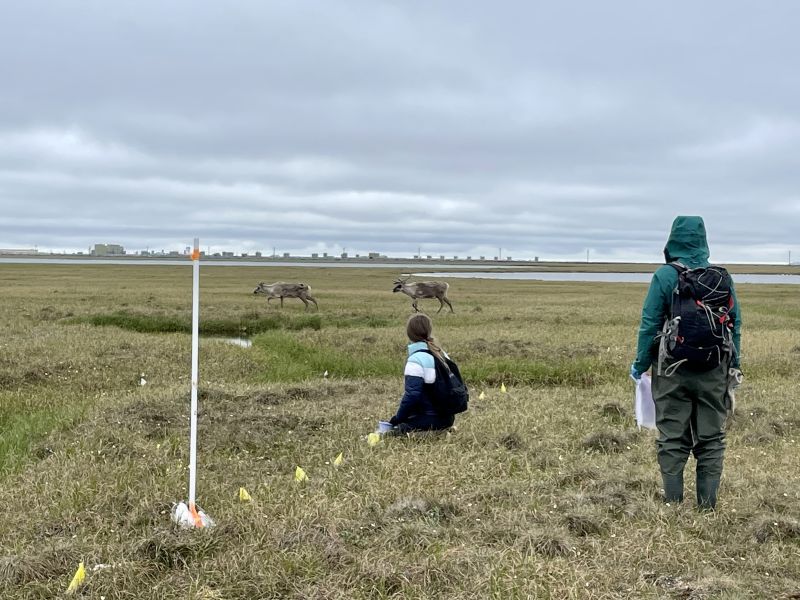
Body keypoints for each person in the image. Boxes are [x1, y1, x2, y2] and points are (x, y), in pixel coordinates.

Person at [631, 216, 742, 510]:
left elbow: (649, 323)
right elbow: (736, 323)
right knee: (712, 439)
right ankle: (707, 507)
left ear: (673, 239)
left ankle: (673, 505)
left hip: (671, 370)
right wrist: (735, 364)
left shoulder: (665, 276)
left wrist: (641, 363)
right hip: (714, 369)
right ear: (704, 240)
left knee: (672, 438)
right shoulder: (721, 277)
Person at [387, 313, 455, 434]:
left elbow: (412, 396)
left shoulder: (416, 359)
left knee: (392, 433)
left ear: (409, 334)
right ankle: (442, 430)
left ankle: (435, 433)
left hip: (428, 418)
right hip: (448, 417)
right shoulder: (441, 354)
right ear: (429, 331)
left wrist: (398, 419)